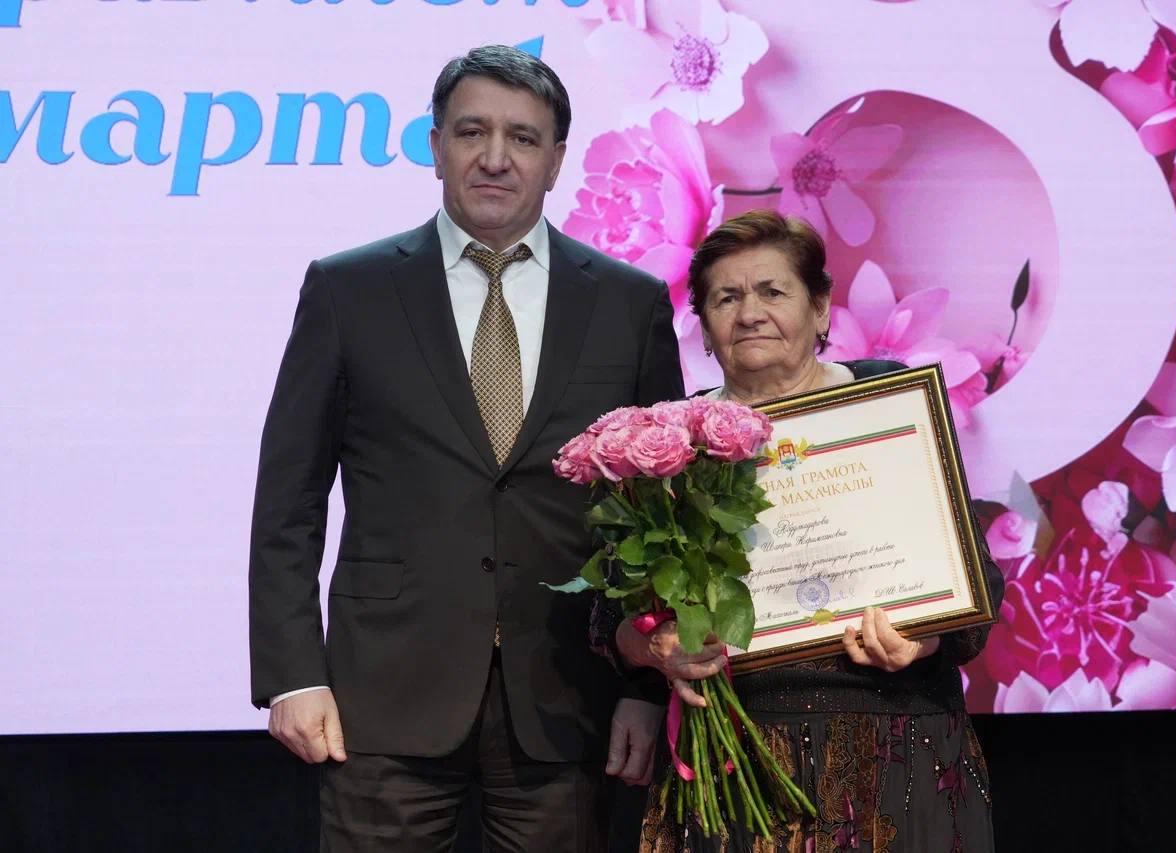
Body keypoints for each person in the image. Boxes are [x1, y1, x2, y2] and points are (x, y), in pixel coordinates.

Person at [248, 44, 682, 852]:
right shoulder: (349, 289)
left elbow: (659, 517)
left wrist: (644, 687)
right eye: (472, 131)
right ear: (435, 144)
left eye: (523, 137)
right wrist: (292, 673)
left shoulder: (631, 304)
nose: (495, 157)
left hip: (566, 698)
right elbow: (289, 500)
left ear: (557, 159)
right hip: (381, 698)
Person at [600, 210, 1003, 852]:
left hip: (895, 742)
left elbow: (977, 583)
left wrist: (924, 638)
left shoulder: (889, 404)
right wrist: (656, 649)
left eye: (772, 291)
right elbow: (611, 618)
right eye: (726, 298)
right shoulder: (668, 445)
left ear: (819, 309)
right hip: (736, 754)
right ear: (704, 328)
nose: (749, 313)